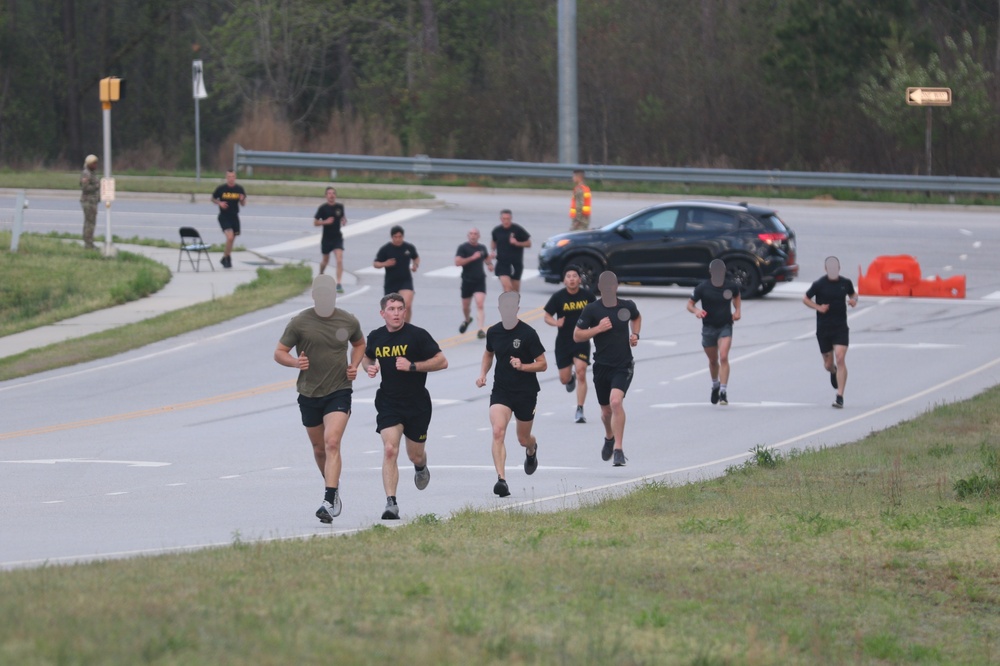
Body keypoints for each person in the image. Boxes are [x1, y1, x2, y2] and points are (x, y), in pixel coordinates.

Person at [274, 274, 365, 524]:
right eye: (321, 295)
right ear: (314, 296)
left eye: (330, 295)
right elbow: (279, 352)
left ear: (335, 296)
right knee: (319, 449)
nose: (326, 299)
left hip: (339, 390)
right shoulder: (300, 322)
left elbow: (359, 344)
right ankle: (332, 489)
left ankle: (328, 499)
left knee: (332, 441)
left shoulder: (348, 320)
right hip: (309, 392)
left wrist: (354, 365)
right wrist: (295, 362)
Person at [362, 293, 448, 519]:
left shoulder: (417, 335)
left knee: (415, 455)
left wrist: (413, 366)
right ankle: (391, 502)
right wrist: (369, 367)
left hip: (417, 403)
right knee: (390, 449)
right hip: (389, 402)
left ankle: (421, 467)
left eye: (400, 308)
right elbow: (366, 357)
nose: (397, 313)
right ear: (383, 313)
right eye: (392, 309)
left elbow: (442, 361)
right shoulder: (375, 337)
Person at [476, 291, 547, 498]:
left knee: (523, 439)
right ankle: (501, 480)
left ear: (517, 309)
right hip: (502, 390)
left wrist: (523, 366)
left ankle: (532, 449)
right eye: (503, 308)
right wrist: (482, 374)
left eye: (511, 307)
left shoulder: (528, 333)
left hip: (526, 392)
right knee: (498, 431)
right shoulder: (494, 332)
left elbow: (543, 364)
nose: (507, 311)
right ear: (499, 309)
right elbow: (488, 353)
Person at [574, 271, 641, 466]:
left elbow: (637, 318)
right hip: (601, 366)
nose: (609, 288)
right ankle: (609, 437)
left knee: (616, 402)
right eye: (605, 285)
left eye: (613, 284)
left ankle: (619, 449)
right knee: (605, 413)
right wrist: (598, 329)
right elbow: (577, 335)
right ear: (600, 288)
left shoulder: (627, 306)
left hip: (623, 365)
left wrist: (635, 334)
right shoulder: (592, 310)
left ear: (616, 286)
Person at [803, 256, 858, 408]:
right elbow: (805, 299)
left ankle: (839, 396)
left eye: (836, 268)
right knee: (828, 364)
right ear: (826, 269)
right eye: (830, 268)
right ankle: (833, 372)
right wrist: (819, 308)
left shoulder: (845, 283)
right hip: (824, 328)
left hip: (840, 327)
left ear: (839, 269)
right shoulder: (819, 284)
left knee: (840, 358)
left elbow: (853, 294)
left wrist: (854, 300)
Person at [543, 265, 595, 423]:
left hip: (581, 341)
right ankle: (569, 380)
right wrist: (556, 323)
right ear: (564, 280)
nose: (571, 279)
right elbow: (546, 316)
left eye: (574, 276)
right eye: (568, 276)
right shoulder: (559, 297)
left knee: (581, 371)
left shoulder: (587, 296)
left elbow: (597, 312)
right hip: (563, 343)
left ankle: (580, 409)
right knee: (564, 379)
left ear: (579, 279)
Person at [687, 259, 742, 406]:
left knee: (723, 356)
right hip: (709, 327)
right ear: (711, 273)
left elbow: (736, 296)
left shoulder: (730, 286)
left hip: (725, 325)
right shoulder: (703, 288)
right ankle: (715, 385)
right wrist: (697, 311)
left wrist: (737, 310)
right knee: (713, 360)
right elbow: (690, 304)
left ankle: (723, 392)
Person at [373, 225, 419, 322]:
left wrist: (415, 265)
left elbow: (416, 257)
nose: (398, 239)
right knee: (391, 308)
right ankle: (394, 328)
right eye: (395, 237)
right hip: (391, 282)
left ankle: (406, 327)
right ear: (392, 237)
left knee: (407, 305)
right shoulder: (386, 249)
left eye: (400, 237)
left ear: (403, 236)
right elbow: (376, 264)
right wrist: (385, 263)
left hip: (405, 280)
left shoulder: (408, 247)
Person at [455, 227, 493, 339]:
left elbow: (486, 259)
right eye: (471, 234)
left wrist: (490, 264)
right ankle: (467, 319)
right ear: (468, 236)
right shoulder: (463, 248)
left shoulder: (482, 248)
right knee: (465, 306)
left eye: (475, 234)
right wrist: (472, 258)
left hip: (479, 280)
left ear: (478, 236)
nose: (473, 236)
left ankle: (480, 329)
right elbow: (457, 262)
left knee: (480, 304)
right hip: (467, 280)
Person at [211, 170, 247, 268]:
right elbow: (213, 198)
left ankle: (226, 257)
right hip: (224, 216)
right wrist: (220, 203)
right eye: (229, 176)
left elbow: (243, 204)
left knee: (231, 240)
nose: (231, 178)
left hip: (234, 216)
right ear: (226, 178)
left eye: (233, 176)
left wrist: (242, 199)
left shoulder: (239, 189)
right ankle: (226, 258)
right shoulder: (221, 188)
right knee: (230, 237)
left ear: (235, 177)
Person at [314, 186, 347, 292]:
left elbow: (342, 217)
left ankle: (339, 283)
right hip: (326, 238)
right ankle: (321, 273)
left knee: (339, 259)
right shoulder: (323, 208)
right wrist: (325, 222)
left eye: (333, 193)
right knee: (325, 260)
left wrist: (343, 220)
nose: (331, 195)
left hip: (337, 237)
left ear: (335, 196)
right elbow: (315, 222)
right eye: (329, 193)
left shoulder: (340, 207)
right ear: (326, 196)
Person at [490, 209, 531, 293]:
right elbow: (494, 241)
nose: (506, 221)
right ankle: (506, 306)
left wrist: (517, 243)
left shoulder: (518, 229)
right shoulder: (496, 230)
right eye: (504, 219)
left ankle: (512, 305)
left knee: (515, 291)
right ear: (500, 219)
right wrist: (492, 251)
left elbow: (529, 243)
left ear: (511, 218)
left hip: (516, 263)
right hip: (502, 263)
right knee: (507, 287)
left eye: (508, 219)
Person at [79, 154, 100, 249]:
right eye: (94, 163)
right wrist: (97, 186)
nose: (96, 165)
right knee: (89, 223)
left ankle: (89, 242)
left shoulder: (92, 173)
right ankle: (88, 243)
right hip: (88, 201)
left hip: (93, 201)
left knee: (91, 222)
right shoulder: (86, 173)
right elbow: (85, 187)